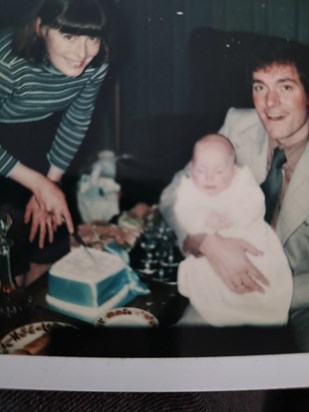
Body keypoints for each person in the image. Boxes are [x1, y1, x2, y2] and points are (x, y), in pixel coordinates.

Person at [159, 39, 309, 350]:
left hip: (299, 301)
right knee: (179, 362)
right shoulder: (237, 126)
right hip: (219, 280)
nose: (269, 104)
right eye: (259, 87)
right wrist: (205, 242)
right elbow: (175, 193)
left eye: (285, 87)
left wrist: (270, 293)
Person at [0, 0, 110, 284]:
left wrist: (50, 183)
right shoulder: (7, 61)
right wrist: (40, 185)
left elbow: (76, 121)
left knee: (51, 232)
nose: (82, 53)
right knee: (10, 245)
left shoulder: (96, 64)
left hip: (41, 130)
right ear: (40, 28)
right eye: (69, 36)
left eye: (92, 37)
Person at [173, 133, 292, 326]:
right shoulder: (191, 186)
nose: (209, 178)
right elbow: (182, 209)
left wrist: (233, 215)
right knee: (210, 290)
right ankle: (219, 308)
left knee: (259, 280)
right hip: (207, 253)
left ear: (233, 170)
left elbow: (255, 203)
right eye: (201, 170)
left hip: (248, 239)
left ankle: (259, 312)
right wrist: (203, 218)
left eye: (219, 171)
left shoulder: (242, 181)